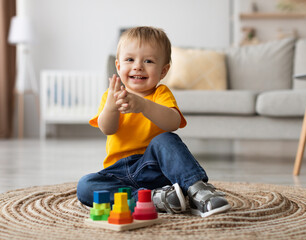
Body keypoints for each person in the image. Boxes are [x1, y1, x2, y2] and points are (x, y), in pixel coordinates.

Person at [76, 26, 231, 217]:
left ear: (163, 70)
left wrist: (143, 105)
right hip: (119, 173)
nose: (138, 66)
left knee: (165, 139)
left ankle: (199, 191)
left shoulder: (160, 93)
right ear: (118, 66)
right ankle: (153, 200)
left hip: (154, 168)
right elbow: (107, 128)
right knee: (85, 186)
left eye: (148, 61)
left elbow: (172, 123)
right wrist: (111, 106)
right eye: (130, 59)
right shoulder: (110, 96)